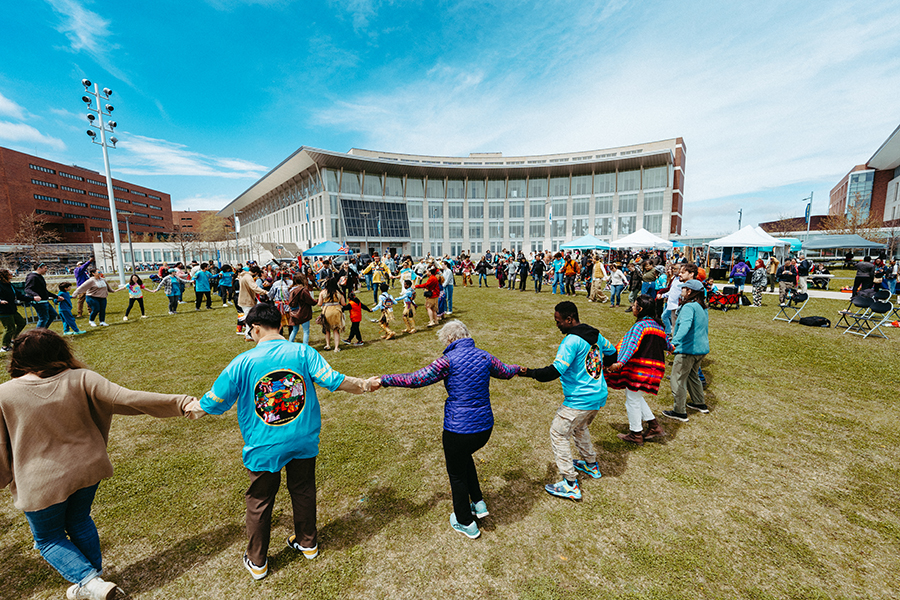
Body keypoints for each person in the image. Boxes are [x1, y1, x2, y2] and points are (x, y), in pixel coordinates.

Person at [0, 328, 197, 600]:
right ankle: (92, 584)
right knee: (79, 520)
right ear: (59, 350)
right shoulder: (81, 378)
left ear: (18, 358)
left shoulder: (4, 394)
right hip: (88, 468)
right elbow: (128, 398)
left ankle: (90, 582)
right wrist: (182, 402)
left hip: (39, 481)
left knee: (47, 539)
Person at [190, 303, 376, 580]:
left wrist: (193, 408)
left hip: (265, 443)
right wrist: (364, 384)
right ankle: (308, 542)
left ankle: (258, 560)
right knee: (303, 489)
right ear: (280, 324)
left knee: (260, 499)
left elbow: (215, 400)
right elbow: (332, 380)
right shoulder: (303, 352)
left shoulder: (243, 362)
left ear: (254, 329)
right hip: (303, 438)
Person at [377, 320, 521, 539]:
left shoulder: (448, 360)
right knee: (465, 458)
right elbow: (505, 371)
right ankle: (479, 503)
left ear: (449, 339)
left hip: (458, 430)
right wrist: (521, 369)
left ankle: (465, 522)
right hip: (484, 429)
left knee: (456, 474)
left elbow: (416, 379)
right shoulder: (485, 356)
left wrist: (384, 380)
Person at [520, 301, 617, 501]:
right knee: (579, 427)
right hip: (598, 395)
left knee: (558, 431)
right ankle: (591, 466)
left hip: (580, 399)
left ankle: (570, 483)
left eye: (558, 321)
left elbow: (554, 371)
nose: (557, 325)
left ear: (569, 319)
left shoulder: (571, 341)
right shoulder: (594, 334)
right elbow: (612, 352)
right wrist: (605, 365)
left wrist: (528, 373)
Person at [605, 295, 671, 444]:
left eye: (634, 305)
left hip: (642, 369)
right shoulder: (658, 326)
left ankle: (636, 434)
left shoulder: (640, 326)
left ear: (640, 309)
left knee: (632, 401)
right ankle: (654, 426)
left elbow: (630, 347)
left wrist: (619, 363)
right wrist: (673, 348)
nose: (632, 307)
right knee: (635, 397)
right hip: (656, 370)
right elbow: (667, 344)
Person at [662, 279, 710, 422]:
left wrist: (673, 344)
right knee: (692, 376)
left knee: (677, 379)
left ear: (689, 291)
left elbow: (684, 327)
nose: (681, 290)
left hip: (688, 349)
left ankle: (679, 411)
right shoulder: (702, 307)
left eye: (683, 288)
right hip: (701, 349)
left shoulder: (689, 307)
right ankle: (699, 403)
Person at [24, 262, 58, 329]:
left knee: (53, 314)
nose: (46, 270)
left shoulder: (39, 277)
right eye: (45, 268)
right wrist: (35, 295)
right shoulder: (32, 277)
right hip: (39, 302)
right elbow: (27, 289)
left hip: (44, 300)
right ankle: (37, 335)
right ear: (39, 268)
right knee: (43, 318)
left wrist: (56, 296)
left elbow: (44, 291)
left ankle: (43, 331)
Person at [317, 276, 346, 352]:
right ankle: (336, 348)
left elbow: (319, 304)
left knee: (327, 329)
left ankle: (328, 345)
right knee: (336, 330)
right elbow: (343, 303)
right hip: (336, 311)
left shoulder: (323, 292)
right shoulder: (338, 292)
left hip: (327, 311)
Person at [287, 273, 317, 345]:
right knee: (306, 331)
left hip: (294, 313)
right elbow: (310, 301)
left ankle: (289, 345)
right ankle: (305, 347)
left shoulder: (291, 290)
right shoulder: (303, 290)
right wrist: (317, 300)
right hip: (303, 313)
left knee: (294, 330)